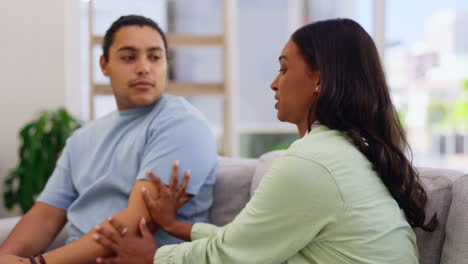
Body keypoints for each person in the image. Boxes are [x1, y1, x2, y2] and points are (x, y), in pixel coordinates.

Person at [91, 18, 438, 264]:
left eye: (284, 69)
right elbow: (248, 244)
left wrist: (152, 257)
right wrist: (174, 226)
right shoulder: (342, 153)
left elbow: (230, 256)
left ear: (319, 80)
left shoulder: (312, 163)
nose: (274, 84)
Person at [0, 15, 218, 264]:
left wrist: (37, 263)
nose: (144, 67)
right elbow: (46, 215)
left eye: (155, 57)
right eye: (128, 57)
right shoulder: (82, 139)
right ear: (104, 65)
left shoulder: (182, 123)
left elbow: (138, 221)